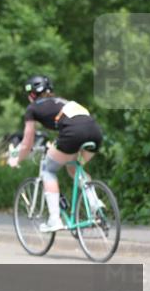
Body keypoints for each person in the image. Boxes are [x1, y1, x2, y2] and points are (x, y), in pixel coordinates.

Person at [8, 75, 104, 232]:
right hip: (95, 132)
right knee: (74, 167)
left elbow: (27, 142)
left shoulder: (32, 108)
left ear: (32, 95)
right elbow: (73, 123)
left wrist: (16, 159)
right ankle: (94, 203)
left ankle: (54, 220)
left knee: (48, 170)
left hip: (72, 134)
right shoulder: (62, 102)